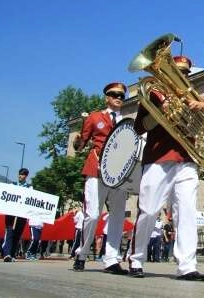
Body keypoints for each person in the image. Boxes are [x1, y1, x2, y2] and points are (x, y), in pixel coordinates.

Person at [127, 55, 204, 281]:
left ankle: (187, 266)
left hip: (187, 159)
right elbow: (139, 128)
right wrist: (161, 113)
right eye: (178, 71)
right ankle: (136, 258)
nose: (182, 75)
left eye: (186, 72)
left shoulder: (193, 97)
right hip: (158, 159)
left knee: (186, 213)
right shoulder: (153, 93)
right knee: (149, 210)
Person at [72, 82, 129, 275]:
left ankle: (111, 260)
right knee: (93, 215)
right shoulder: (95, 117)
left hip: (118, 174)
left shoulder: (126, 122)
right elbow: (80, 146)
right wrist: (78, 141)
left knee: (117, 217)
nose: (118, 98)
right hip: (96, 169)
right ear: (107, 97)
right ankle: (82, 254)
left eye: (122, 95)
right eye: (114, 94)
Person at [2, 168, 31, 262]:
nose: (20, 176)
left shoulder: (29, 188)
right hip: (11, 215)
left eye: (22, 175)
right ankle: (7, 254)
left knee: (17, 235)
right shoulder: (12, 185)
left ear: (26, 176)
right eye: (19, 174)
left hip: (21, 216)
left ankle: (13, 254)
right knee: (9, 233)